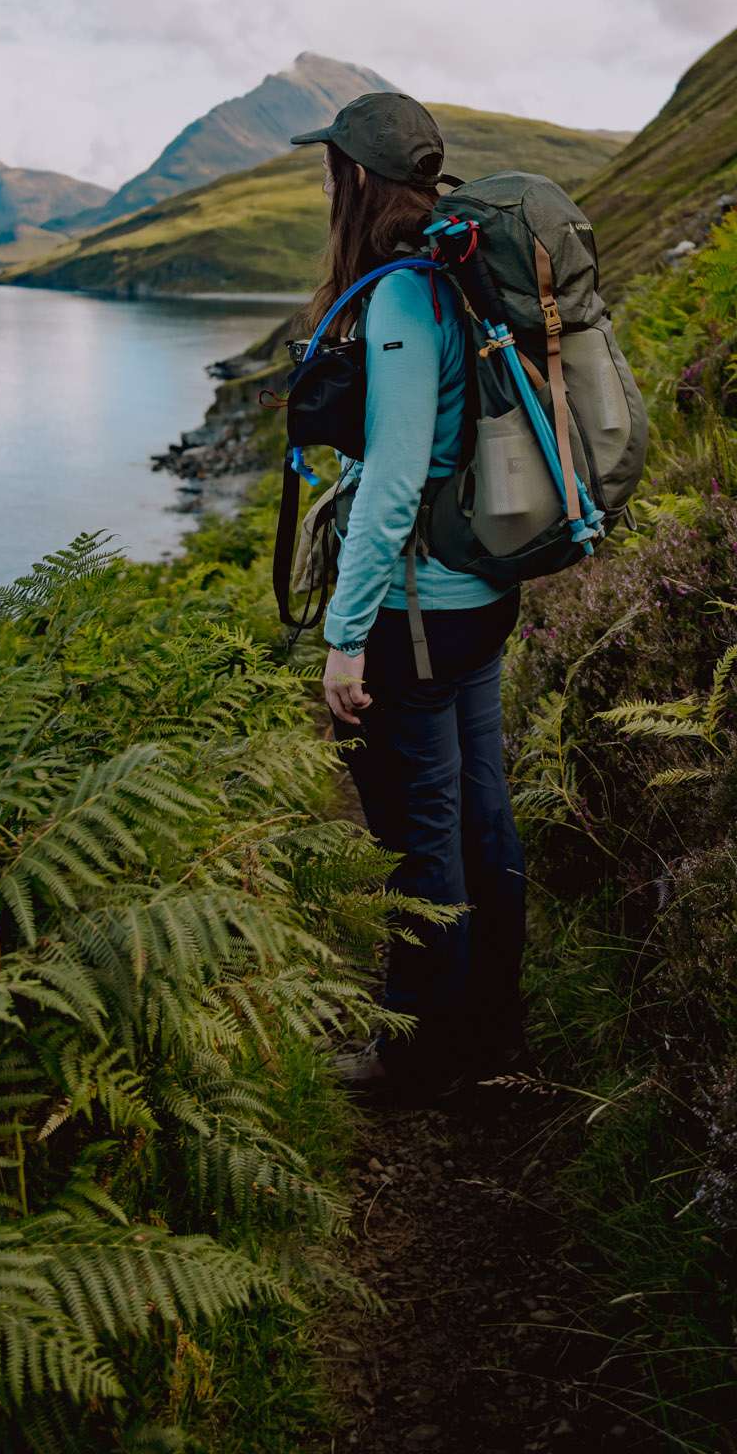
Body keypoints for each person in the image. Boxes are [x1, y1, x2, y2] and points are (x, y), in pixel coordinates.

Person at [289, 91, 526, 1100]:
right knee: (482, 814)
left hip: (419, 612)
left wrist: (345, 637)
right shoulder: (457, 269)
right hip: (482, 588)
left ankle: (419, 1054)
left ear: (356, 178)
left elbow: (389, 482)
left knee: (422, 837)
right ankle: (489, 1025)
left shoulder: (396, 297)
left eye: (334, 168)